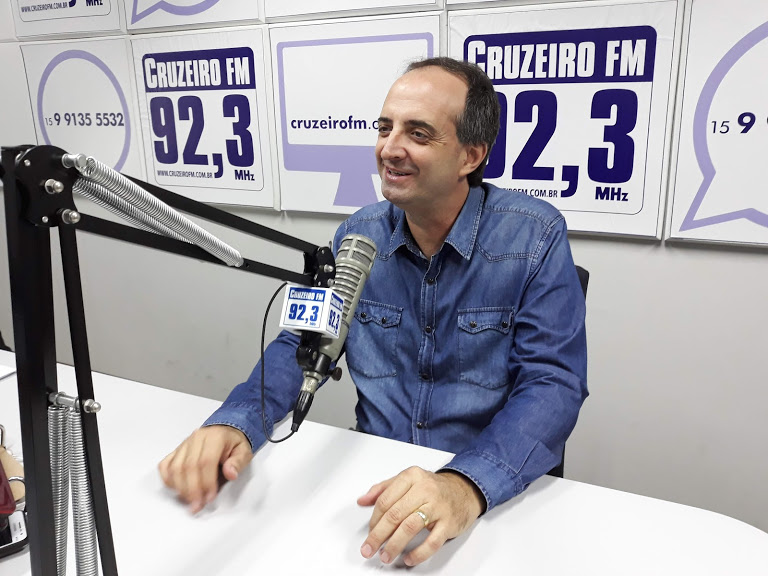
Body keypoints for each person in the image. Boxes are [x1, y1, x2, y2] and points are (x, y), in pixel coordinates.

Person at [159, 56, 588, 567]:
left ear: (471, 156)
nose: (389, 148)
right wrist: (237, 422)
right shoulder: (357, 235)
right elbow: (301, 343)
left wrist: (463, 485)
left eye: (418, 133)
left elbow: (553, 382)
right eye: (385, 128)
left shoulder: (534, 235)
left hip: (482, 497)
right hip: (373, 484)